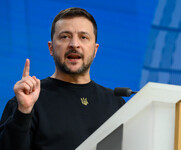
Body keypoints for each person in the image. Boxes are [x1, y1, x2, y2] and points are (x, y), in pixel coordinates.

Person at [0, 7, 125, 150]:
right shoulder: (27, 101)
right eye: (65, 36)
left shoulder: (116, 103)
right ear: (51, 48)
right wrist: (23, 112)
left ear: (95, 49)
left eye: (83, 37)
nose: (74, 44)